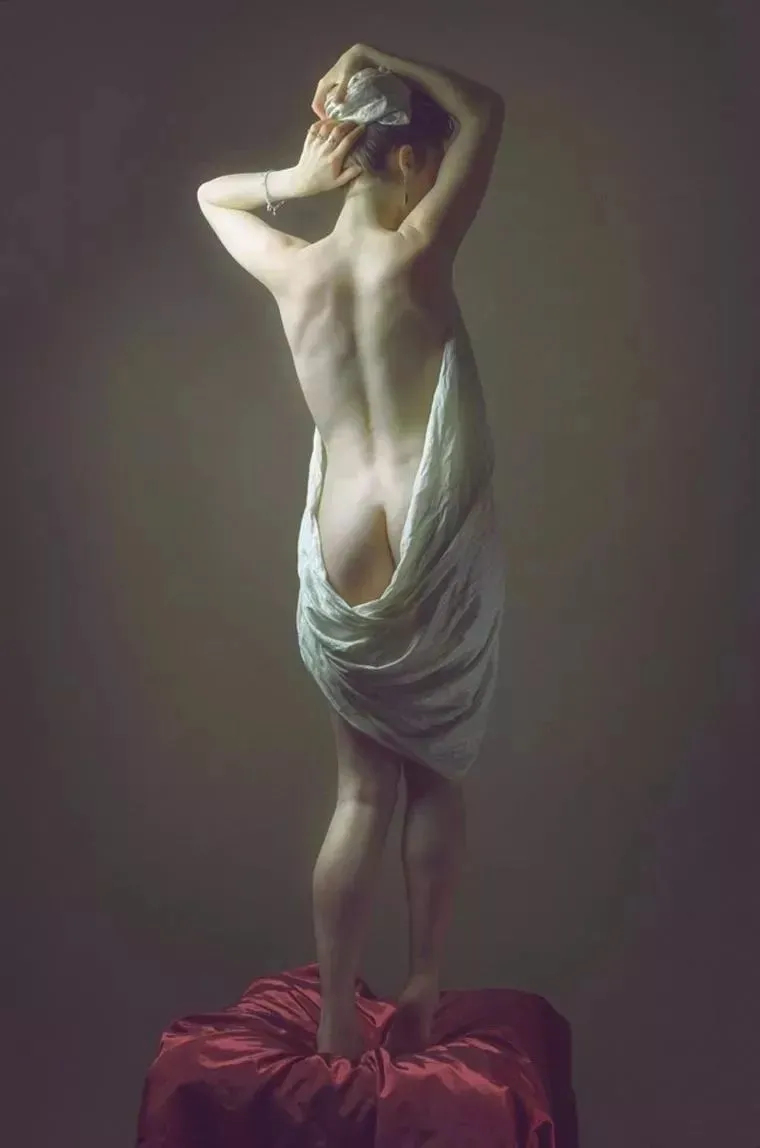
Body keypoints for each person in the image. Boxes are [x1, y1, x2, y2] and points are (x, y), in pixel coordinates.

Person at [196, 44, 506, 1061]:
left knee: (360, 791)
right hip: (426, 519)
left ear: (344, 154)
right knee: (434, 777)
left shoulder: (295, 272)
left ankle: (335, 1012)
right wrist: (376, 54)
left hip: (343, 525)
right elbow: (484, 109)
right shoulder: (419, 250)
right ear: (408, 158)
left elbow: (210, 196)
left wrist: (294, 179)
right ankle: (422, 977)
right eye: (424, 157)